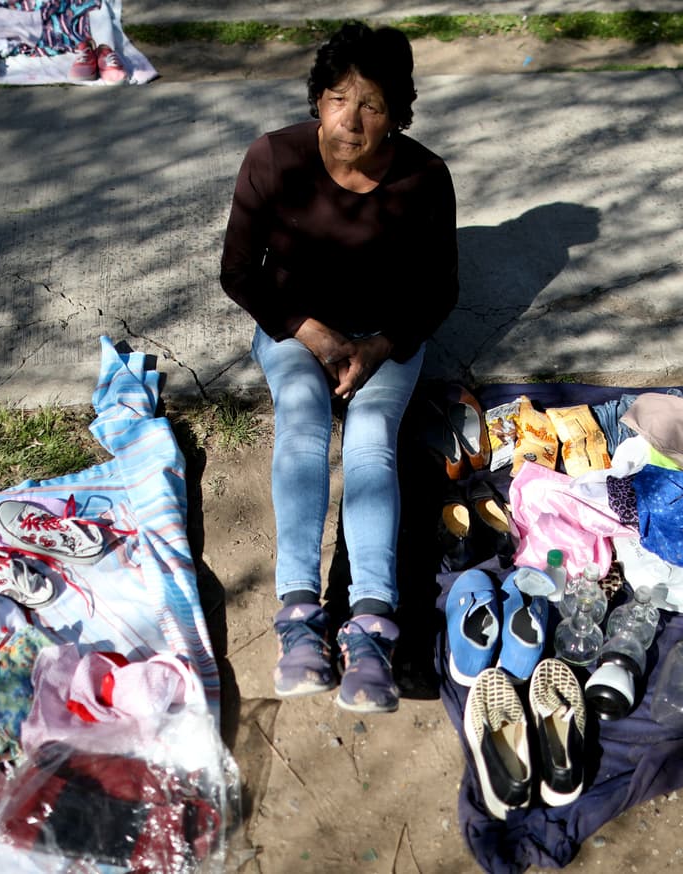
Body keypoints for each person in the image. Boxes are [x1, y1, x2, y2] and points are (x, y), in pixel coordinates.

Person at [220, 22, 459, 713]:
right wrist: (316, 338)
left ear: (398, 113)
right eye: (337, 98)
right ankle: (299, 618)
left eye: (372, 104)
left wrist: (378, 346)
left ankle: (371, 629)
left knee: (370, 441)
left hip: (386, 335)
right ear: (317, 99)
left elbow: (440, 290)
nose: (350, 120)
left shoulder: (425, 177)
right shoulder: (273, 160)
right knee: (300, 422)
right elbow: (239, 274)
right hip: (297, 328)